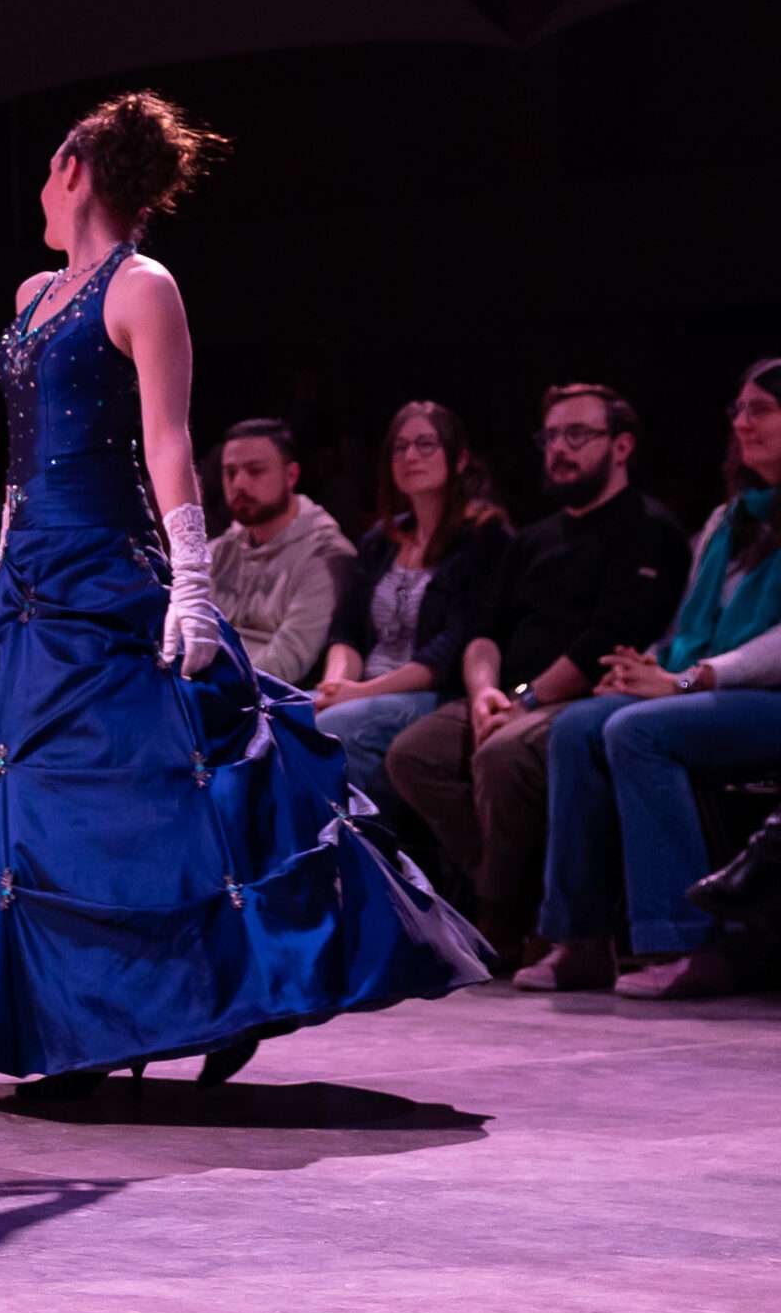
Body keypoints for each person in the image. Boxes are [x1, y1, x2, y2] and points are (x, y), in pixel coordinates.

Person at [0, 92, 489, 1096]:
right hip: (29, 576)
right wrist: (3, 560)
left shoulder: (143, 286)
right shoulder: (34, 292)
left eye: (46, 170)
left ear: (76, 170)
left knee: (131, 795)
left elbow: (169, 441)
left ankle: (194, 1002)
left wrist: (189, 585)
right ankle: (63, 1030)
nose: (37, 190)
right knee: (32, 799)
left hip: (106, 562)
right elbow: (20, 451)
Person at [383, 383, 692, 965]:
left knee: (501, 757)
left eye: (577, 435)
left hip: (583, 697)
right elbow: (482, 631)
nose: (559, 449)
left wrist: (525, 701)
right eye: (550, 437)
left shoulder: (648, 529)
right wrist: (485, 694)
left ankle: (495, 918)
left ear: (621, 446)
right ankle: (520, 894)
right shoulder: (533, 539)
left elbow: (610, 638)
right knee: (413, 754)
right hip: (511, 696)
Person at [523, 358, 781, 998]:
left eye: (761, 410)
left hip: (763, 696)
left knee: (638, 731)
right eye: (738, 410)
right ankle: (581, 940)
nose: (742, 423)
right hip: (710, 689)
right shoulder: (729, 521)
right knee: (577, 726)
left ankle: (688, 941)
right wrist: (644, 668)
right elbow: (687, 625)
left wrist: (687, 681)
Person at [311, 402, 511, 804]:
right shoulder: (381, 540)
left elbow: (452, 646)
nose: (410, 457)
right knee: (286, 720)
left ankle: (372, 839)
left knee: (336, 728)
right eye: (400, 448)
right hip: (366, 688)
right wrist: (334, 686)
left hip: (439, 693)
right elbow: (347, 630)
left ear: (459, 459)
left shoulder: (484, 536)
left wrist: (361, 693)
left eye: (425, 444)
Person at [207, 418, 355, 687]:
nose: (239, 483)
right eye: (230, 472)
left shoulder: (325, 554)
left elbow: (288, 659)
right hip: (204, 686)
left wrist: (214, 688)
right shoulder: (220, 551)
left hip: (265, 696)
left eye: (255, 471)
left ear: (291, 476)